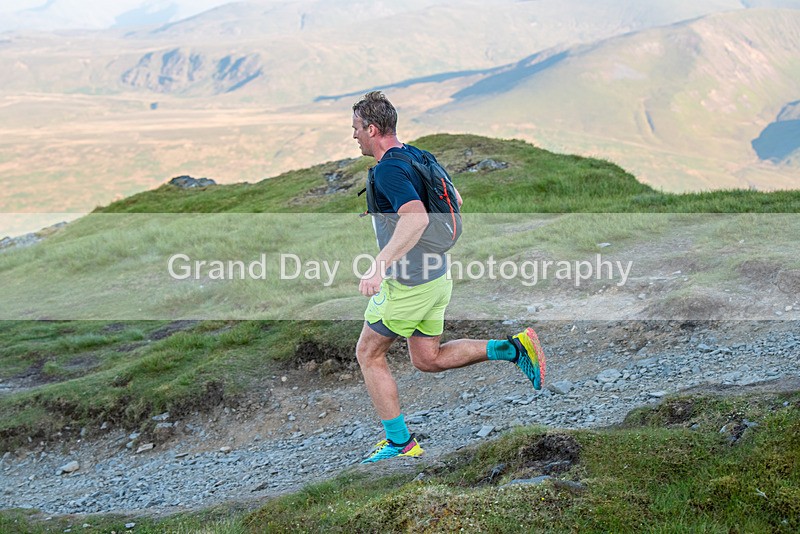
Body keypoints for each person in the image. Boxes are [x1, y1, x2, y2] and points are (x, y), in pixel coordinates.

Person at [352, 91, 545, 463]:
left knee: (368, 353)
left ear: (372, 128)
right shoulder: (420, 156)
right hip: (436, 276)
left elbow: (418, 218)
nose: (354, 136)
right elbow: (454, 200)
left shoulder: (390, 169)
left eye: (356, 128)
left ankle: (400, 444)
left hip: (409, 282)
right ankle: (514, 348)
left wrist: (380, 263)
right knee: (428, 358)